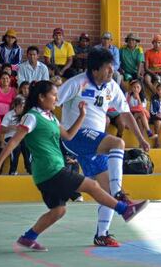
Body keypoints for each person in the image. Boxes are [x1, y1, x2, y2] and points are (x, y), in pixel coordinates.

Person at [0, 80, 149, 252]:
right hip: (50, 169)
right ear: (42, 97)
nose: (56, 99)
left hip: (46, 174)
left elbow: (68, 136)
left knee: (59, 211)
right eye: (53, 95)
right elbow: (14, 141)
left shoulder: (50, 117)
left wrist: (82, 115)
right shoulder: (32, 116)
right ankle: (124, 209)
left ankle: (28, 237)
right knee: (93, 185)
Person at [57, 48, 151, 247]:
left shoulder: (112, 86)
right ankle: (120, 194)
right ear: (95, 69)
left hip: (94, 143)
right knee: (117, 143)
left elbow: (125, 113)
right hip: (76, 136)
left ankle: (102, 234)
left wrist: (141, 138)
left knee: (105, 191)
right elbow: (51, 103)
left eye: (112, 68)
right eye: (108, 68)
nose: (111, 71)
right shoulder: (76, 83)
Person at [1, 97, 31, 175]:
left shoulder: (27, 115)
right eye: (20, 106)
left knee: (27, 145)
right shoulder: (9, 114)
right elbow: (2, 130)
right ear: (15, 106)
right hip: (10, 137)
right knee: (16, 147)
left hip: (22, 137)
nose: (22, 108)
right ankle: (13, 171)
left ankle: (29, 169)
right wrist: (11, 127)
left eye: (23, 106)